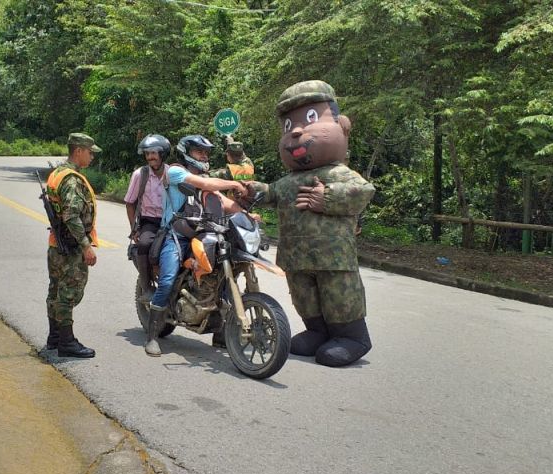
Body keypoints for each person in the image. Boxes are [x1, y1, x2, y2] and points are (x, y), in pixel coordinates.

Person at [243, 80, 376, 368]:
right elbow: (271, 192)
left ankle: (352, 337)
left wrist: (326, 197)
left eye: (311, 118)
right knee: (305, 296)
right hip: (297, 256)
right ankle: (317, 331)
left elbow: (363, 192)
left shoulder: (338, 172)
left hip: (333, 257)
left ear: (342, 125)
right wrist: (250, 189)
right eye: (288, 125)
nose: (297, 131)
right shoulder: (289, 181)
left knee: (338, 294)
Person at [145, 135, 247, 357]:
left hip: (203, 233)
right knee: (168, 279)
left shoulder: (204, 177)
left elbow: (223, 201)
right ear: (186, 152)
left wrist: (246, 213)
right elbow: (206, 185)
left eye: (206, 152)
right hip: (176, 234)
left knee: (222, 275)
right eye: (199, 151)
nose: (204, 156)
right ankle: (152, 336)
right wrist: (234, 183)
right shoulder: (175, 172)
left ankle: (221, 333)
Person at [44, 133, 102, 358]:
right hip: (70, 248)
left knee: (56, 290)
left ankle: (54, 337)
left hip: (56, 245)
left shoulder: (57, 173)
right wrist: (86, 246)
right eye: (89, 152)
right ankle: (66, 342)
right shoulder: (71, 179)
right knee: (68, 293)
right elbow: (71, 215)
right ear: (78, 151)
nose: (92, 157)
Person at [125, 134, 170, 304]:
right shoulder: (140, 174)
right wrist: (134, 229)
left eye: (154, 153)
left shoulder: (172, 173)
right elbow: (130, 203)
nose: (150, 157)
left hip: (171, 221)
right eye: (147, 153)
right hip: (149, 221)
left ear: (163, 154)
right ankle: (146, 287)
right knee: (144, 244)